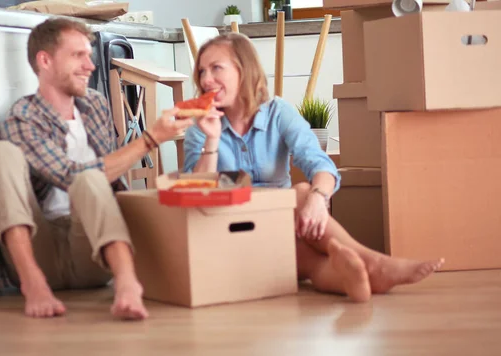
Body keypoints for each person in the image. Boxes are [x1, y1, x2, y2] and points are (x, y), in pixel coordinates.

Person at [183, 33, 444, 302]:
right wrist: (212, 138)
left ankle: (356, 278)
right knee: (299, 194)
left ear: (244, 70)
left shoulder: (278, 113)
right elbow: (195, 193)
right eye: (202, 71)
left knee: (307, 226)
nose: (205, 80)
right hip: (230, 229)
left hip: (279, 225)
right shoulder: (200, 127)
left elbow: (320, 165)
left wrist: (318, 200)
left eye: (216, 68)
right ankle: (373, 262)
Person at [0, 18, 193, 319]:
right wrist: (151, 138)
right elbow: (70, 176)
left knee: (92, 180)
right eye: (78, 55)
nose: (90, 65)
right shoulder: (22, 117)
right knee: (1, 153)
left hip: (91, 250)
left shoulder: (95, 105)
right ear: (45, 60)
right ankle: (33, 284)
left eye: (89, 55)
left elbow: (101, 181)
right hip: (41, 248)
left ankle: (127, 282)